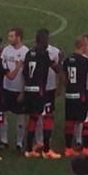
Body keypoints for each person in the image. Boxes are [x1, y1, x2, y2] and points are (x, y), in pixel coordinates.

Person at [23, 29, 60, 159]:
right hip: (40, 91)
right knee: (48, 116)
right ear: (43, 40)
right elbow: (56, 69)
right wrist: (58, 61)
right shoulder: (43, 54)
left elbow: (25, 73)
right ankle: (47, 150)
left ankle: (28, 149)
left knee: (33, 117)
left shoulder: (29, 53)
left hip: (29, 90)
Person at [61, 37, 88, 158]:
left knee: (70, 121)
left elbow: (63, 77)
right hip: (80, 95)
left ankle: (68, 148)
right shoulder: (84, 60)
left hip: (69, 94)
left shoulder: (67, 60)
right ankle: (86, 148)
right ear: (83, 46)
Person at [0, 27, 27, 151]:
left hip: (18, 89)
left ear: (18, 37)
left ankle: (19, 142)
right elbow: (3, 68)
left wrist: (23, 91)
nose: (9, 38)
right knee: (2, 114)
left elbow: (27, 74)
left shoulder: (26, 52)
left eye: (11, 36)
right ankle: (3, 140)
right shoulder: (6, 50)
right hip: (6, 88)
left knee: (21, 116)